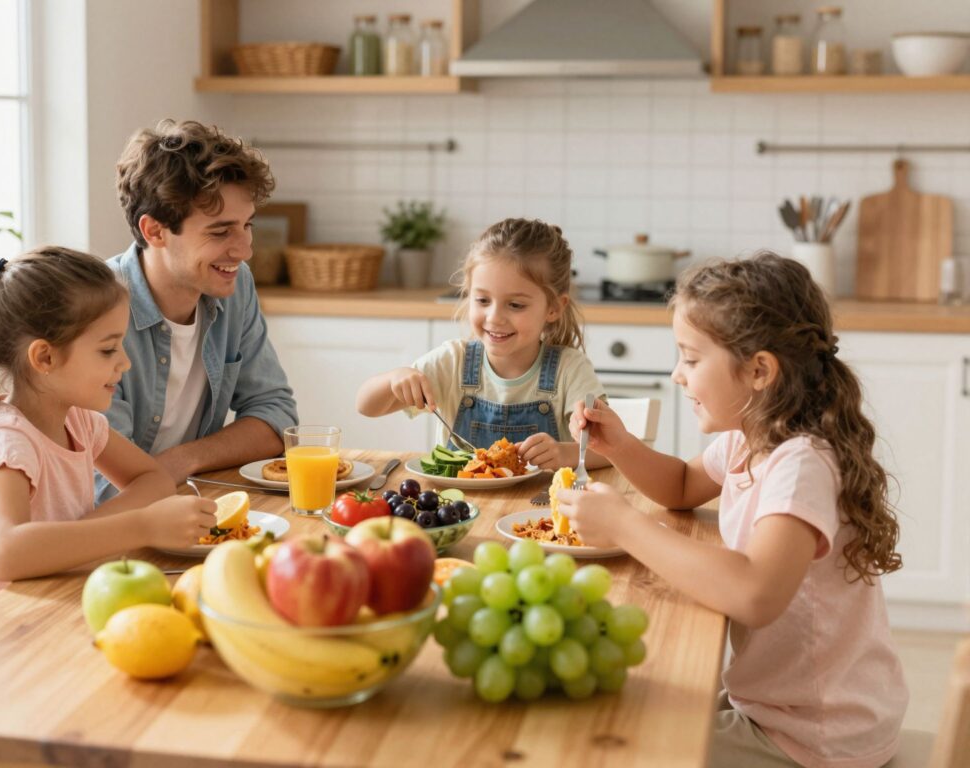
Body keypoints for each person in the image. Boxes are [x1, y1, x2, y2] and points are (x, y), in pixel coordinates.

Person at [557, 253, 908, 768]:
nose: (677, 375)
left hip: (816, 736)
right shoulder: (751, 439)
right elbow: (680, 485)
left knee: (611, 740)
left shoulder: (802, 463)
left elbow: (755, 592)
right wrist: (621, 446)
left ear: (759, 370)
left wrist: (625, 526)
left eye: (691, 359)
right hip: (781, 707)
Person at [0, 248, 217, 624]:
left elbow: (152, 478)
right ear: (44, 358)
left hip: (51, 596)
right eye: (107, 349)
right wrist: (142, 526)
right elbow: (4, 554)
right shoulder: (7, 440)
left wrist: (75, 541)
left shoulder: (80, 422)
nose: (124, 362)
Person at [99, 119, 298, 500]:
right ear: (154, 231)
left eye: (247, 225)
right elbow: (107, 488)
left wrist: (181, 461)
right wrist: (167, 475)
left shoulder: (235, 286)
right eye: (221, 232)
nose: (244, 249)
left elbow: (276, 416)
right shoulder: (93, 312)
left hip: (184, 504)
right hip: (106, 534)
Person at [357, 218, 606, 470]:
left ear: (553, 308)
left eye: (516, 305)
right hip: (458, 507)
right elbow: (366, 406)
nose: (494, 317)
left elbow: (609, 450)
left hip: (536, 508)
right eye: (483, 300)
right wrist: (394, 378)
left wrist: (566, 454)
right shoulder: (453, 361)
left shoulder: (570, 369)